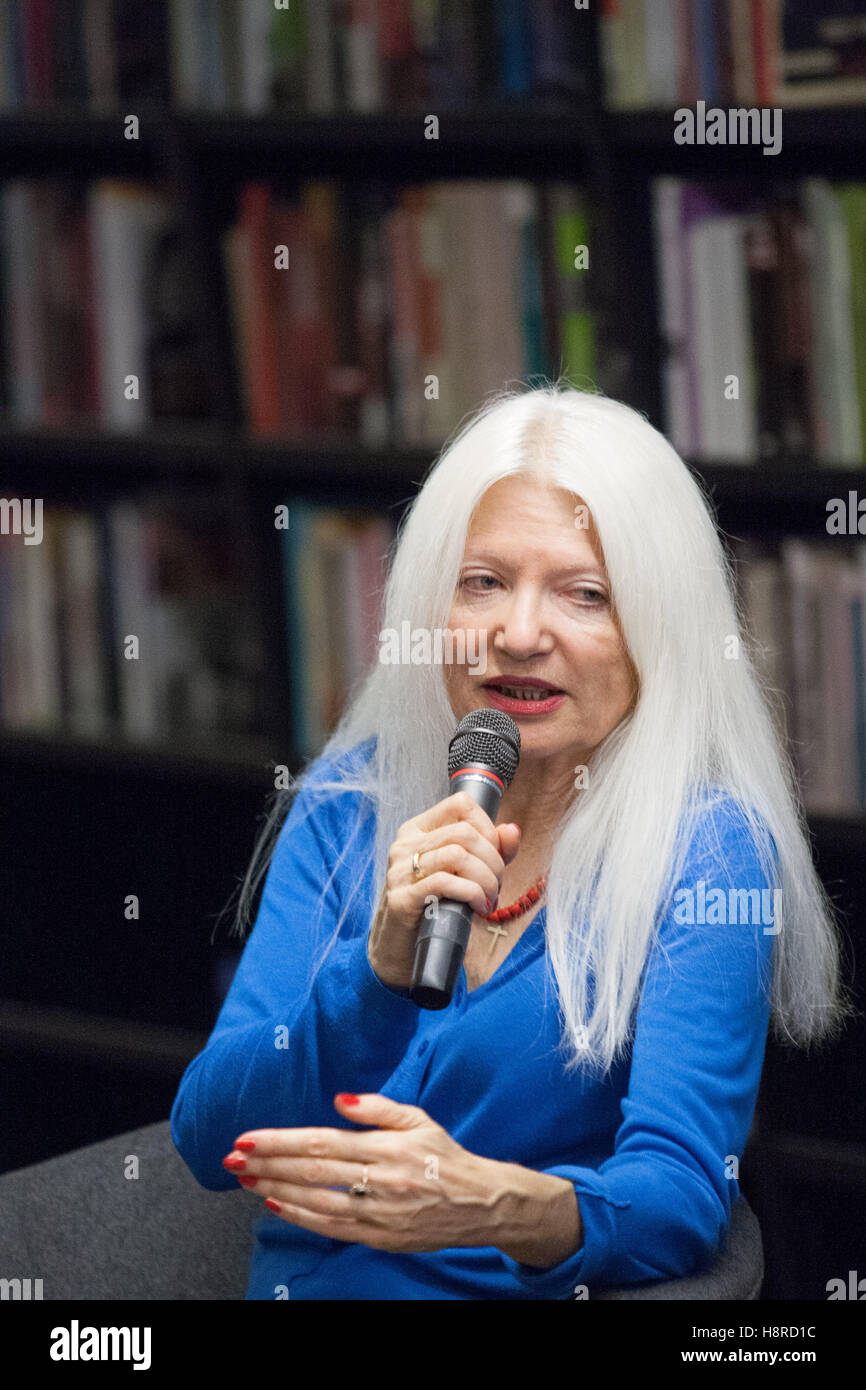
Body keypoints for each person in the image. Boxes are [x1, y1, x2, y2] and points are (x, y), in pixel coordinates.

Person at [171, 383, 851, 1300]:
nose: (518, 634)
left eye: (585, 594)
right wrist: (370, 979)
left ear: (660, 631)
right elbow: (210, 1138)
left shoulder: (708, 853)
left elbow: (682, 1198)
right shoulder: (348, 801)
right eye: (483, 582)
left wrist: (482, 1203)